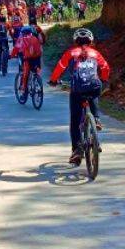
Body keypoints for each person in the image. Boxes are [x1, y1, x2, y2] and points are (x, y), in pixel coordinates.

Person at [49, 27, 111, 165]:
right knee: (93, 93)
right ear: (91, 41)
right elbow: (105, 67)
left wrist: (53, 80)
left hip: (77, 89)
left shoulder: (71, 52)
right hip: (94, 86)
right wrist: (104, 79)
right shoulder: (95, 53)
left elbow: (60, 67)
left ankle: (77, 151)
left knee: (75, 121)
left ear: (75, 41)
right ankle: (96, 120)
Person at [13, 24, 44, 97]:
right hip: (37, 58)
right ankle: (38, 84)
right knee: (36, 71)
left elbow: (16, 48)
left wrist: (11, 56)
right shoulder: (35, 38)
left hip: (27, 59)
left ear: (22, 33)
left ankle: (24, 91)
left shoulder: (21, 38)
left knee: (25, 74)